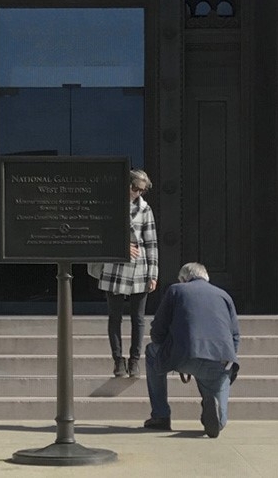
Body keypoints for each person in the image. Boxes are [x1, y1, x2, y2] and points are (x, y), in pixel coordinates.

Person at [143, 261, 240, 438]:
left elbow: (158, 329)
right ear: (206, 278)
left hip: (183, 354)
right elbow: (235, 335)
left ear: (183, 278)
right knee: (219, 419)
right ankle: (214, 414)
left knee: (151, 352)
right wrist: (228, 362)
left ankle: (161, 415)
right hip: (220, 360)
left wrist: (166, 349)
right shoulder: (224, 295)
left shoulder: (176, 290)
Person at [92, 169, 158, 379]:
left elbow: (151, 243)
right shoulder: (110, 205)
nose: (137, 193)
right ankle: (118, 360)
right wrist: (122, 247)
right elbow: (100, 234)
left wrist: (153, 273)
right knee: (115, 317)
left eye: (141, 190)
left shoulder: (145, 209)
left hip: (139, 268)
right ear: (126, 185)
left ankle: (135, 360)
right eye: (134, 188)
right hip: (114, 267)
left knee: (138, 318)